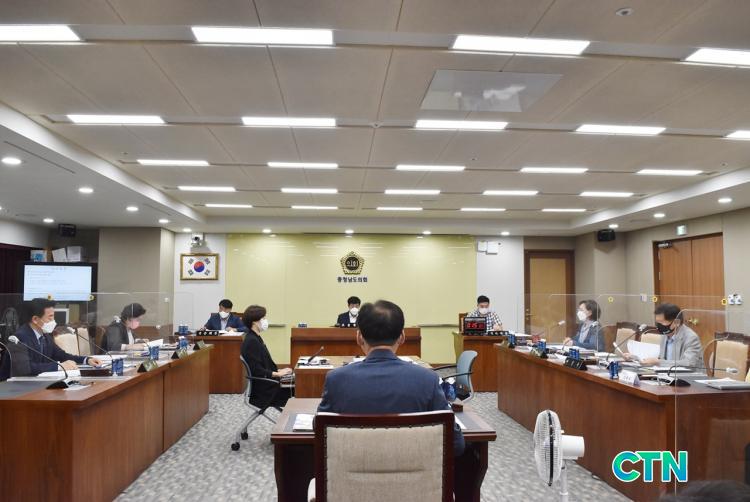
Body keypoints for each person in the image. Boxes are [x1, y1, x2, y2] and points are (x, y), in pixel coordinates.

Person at [318, 300, 465, 456]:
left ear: (359, 337)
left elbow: (320, 434)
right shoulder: (428, 380)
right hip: (412, 470)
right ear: (402, 336)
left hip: (352, 469)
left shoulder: (336, 379)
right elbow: (455, 444)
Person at [13, 298, 101, 375]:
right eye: (50, 317)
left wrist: (86, 360)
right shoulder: (20, 337)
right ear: (35, 319)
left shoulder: (45, 335)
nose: (53, 321)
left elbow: (62, 355)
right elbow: (25, 368)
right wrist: (59, 366)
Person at [240, 305, 292, 408]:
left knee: (296, 381)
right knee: (300, 388)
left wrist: (279, 371)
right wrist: (277, 374)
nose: (265, 321)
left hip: (268, 383)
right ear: (255, 322)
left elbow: (264, 364)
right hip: (264, 390)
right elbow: (256, 370)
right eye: (263, 318)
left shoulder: (255, 337)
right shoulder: (251, 341)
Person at [625, 303, 703, 368]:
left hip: (686, 378)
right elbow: (660, 358)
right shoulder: (665, 335)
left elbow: (689, 364)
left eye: (662, 322)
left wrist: (658, 362)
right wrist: (635, 358)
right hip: (664, 376)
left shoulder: (691, 338)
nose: (659, 326)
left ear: (677, 322)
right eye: (657, 323)